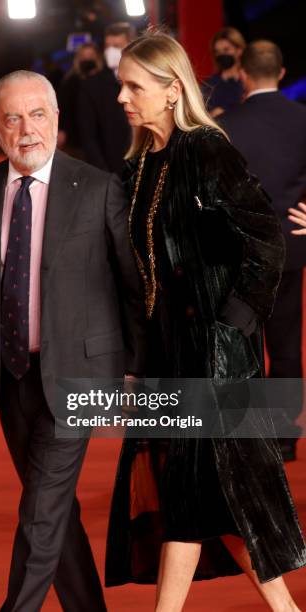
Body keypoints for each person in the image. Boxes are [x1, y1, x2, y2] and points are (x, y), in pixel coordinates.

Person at [0, 70, 145, 612]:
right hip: (9, 377)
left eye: (37, 114)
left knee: (40, 512)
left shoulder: (98, 187)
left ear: (57, 119)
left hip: (81, 377)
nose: (27, 129)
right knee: (53, 513)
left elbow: (133, 289)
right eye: (12, 117)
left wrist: (137, 370)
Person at [105, 31, 306, 612]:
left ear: (171, 92)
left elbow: (266, 240)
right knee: (220, 501)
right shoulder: (140, 167)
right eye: (121, 84)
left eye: (133, 86)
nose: (122, 97)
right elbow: (143, 279)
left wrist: (232, 327)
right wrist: (139, 365)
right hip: (169, 359)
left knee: (189, 495)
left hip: (217, 360)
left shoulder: (206, 149)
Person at [219, 40, 306, 462]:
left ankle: (247, 432)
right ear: (282, 73)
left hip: (241, 250)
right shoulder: (302, 119)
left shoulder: (227, 125)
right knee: (287, 342)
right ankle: (285, 435)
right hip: (291, 244)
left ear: (243, 73)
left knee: (243, 343)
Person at [78, 22, 134, 175]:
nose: (111, 51)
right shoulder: (91, 85)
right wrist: (103, 174)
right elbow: (88, 136)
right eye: (108, 46)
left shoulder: (145, 82)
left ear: (131, 47)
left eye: (117, 45)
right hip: (109, 171)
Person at [58, 42, 103, 158]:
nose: (87, 59)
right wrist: (61, 130)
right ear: (78, 58)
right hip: (75, 136)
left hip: (99, 136)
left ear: (97, 58)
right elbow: (63, 106)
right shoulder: (71, 80)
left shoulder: (104, 80)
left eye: (90, 55)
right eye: (83, 56)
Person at [202, 27, 246, 117]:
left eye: (226, 50)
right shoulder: (209, 85)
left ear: (239, 50)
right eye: (217, 52)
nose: (221, 55)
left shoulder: (250, 81)